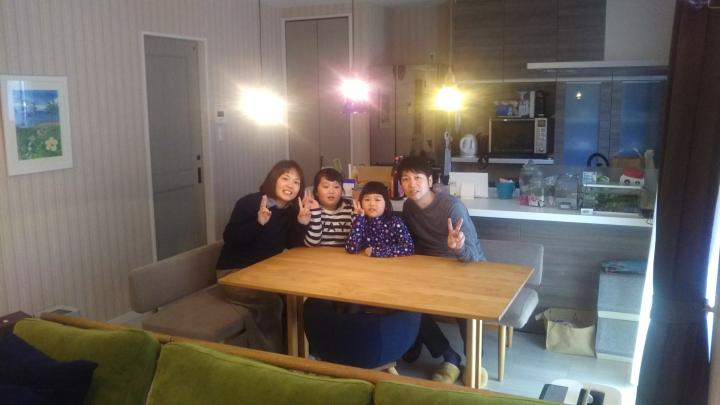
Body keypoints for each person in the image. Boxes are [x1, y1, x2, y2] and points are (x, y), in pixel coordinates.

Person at [397, 155, 486, 385]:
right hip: (430, 270)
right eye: (405, 179)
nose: (412, 184)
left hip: (463, 265)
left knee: (465, 303)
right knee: (403, 301)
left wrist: (457, 248)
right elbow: (413, 243)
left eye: (417, 178)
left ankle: (475, 361)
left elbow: (473, 256)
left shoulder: (452, 207)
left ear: (430, 180)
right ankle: (449, 356)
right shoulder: (408, 206)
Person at [216, 160, 312, 353]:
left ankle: (296, 353)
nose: (290, 185)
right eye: (285, 178)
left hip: (265, 273)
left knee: (297, 298)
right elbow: (230, 237)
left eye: (296, 182)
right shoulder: (251, 203)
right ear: (273, 179)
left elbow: (291, 244)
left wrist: (301, 223)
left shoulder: (290, 210)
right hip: (233, 274)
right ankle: (272, 359)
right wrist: (258, 223)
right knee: (272, 302)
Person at [345, 181, 414, 258]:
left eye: (377, 200)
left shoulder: (395, 222)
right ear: (361, 203)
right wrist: (359, 218)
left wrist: (377, 251)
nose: (372, 204)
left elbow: (409, 248)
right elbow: (351, 249)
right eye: (367, 200)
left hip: (392, 263)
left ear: (386, 205)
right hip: (366, 263)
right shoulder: (360, 221)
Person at [304, 168, 354, 247]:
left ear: (342, 191)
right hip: (318, 254)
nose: (331, 191)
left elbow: (356, 242)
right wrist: (316, 212)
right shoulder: (310, 210)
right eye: (326, 186)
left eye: (336, 187)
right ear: (316, 191)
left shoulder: (351, 209)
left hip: (344, 254)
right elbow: (312, 243)